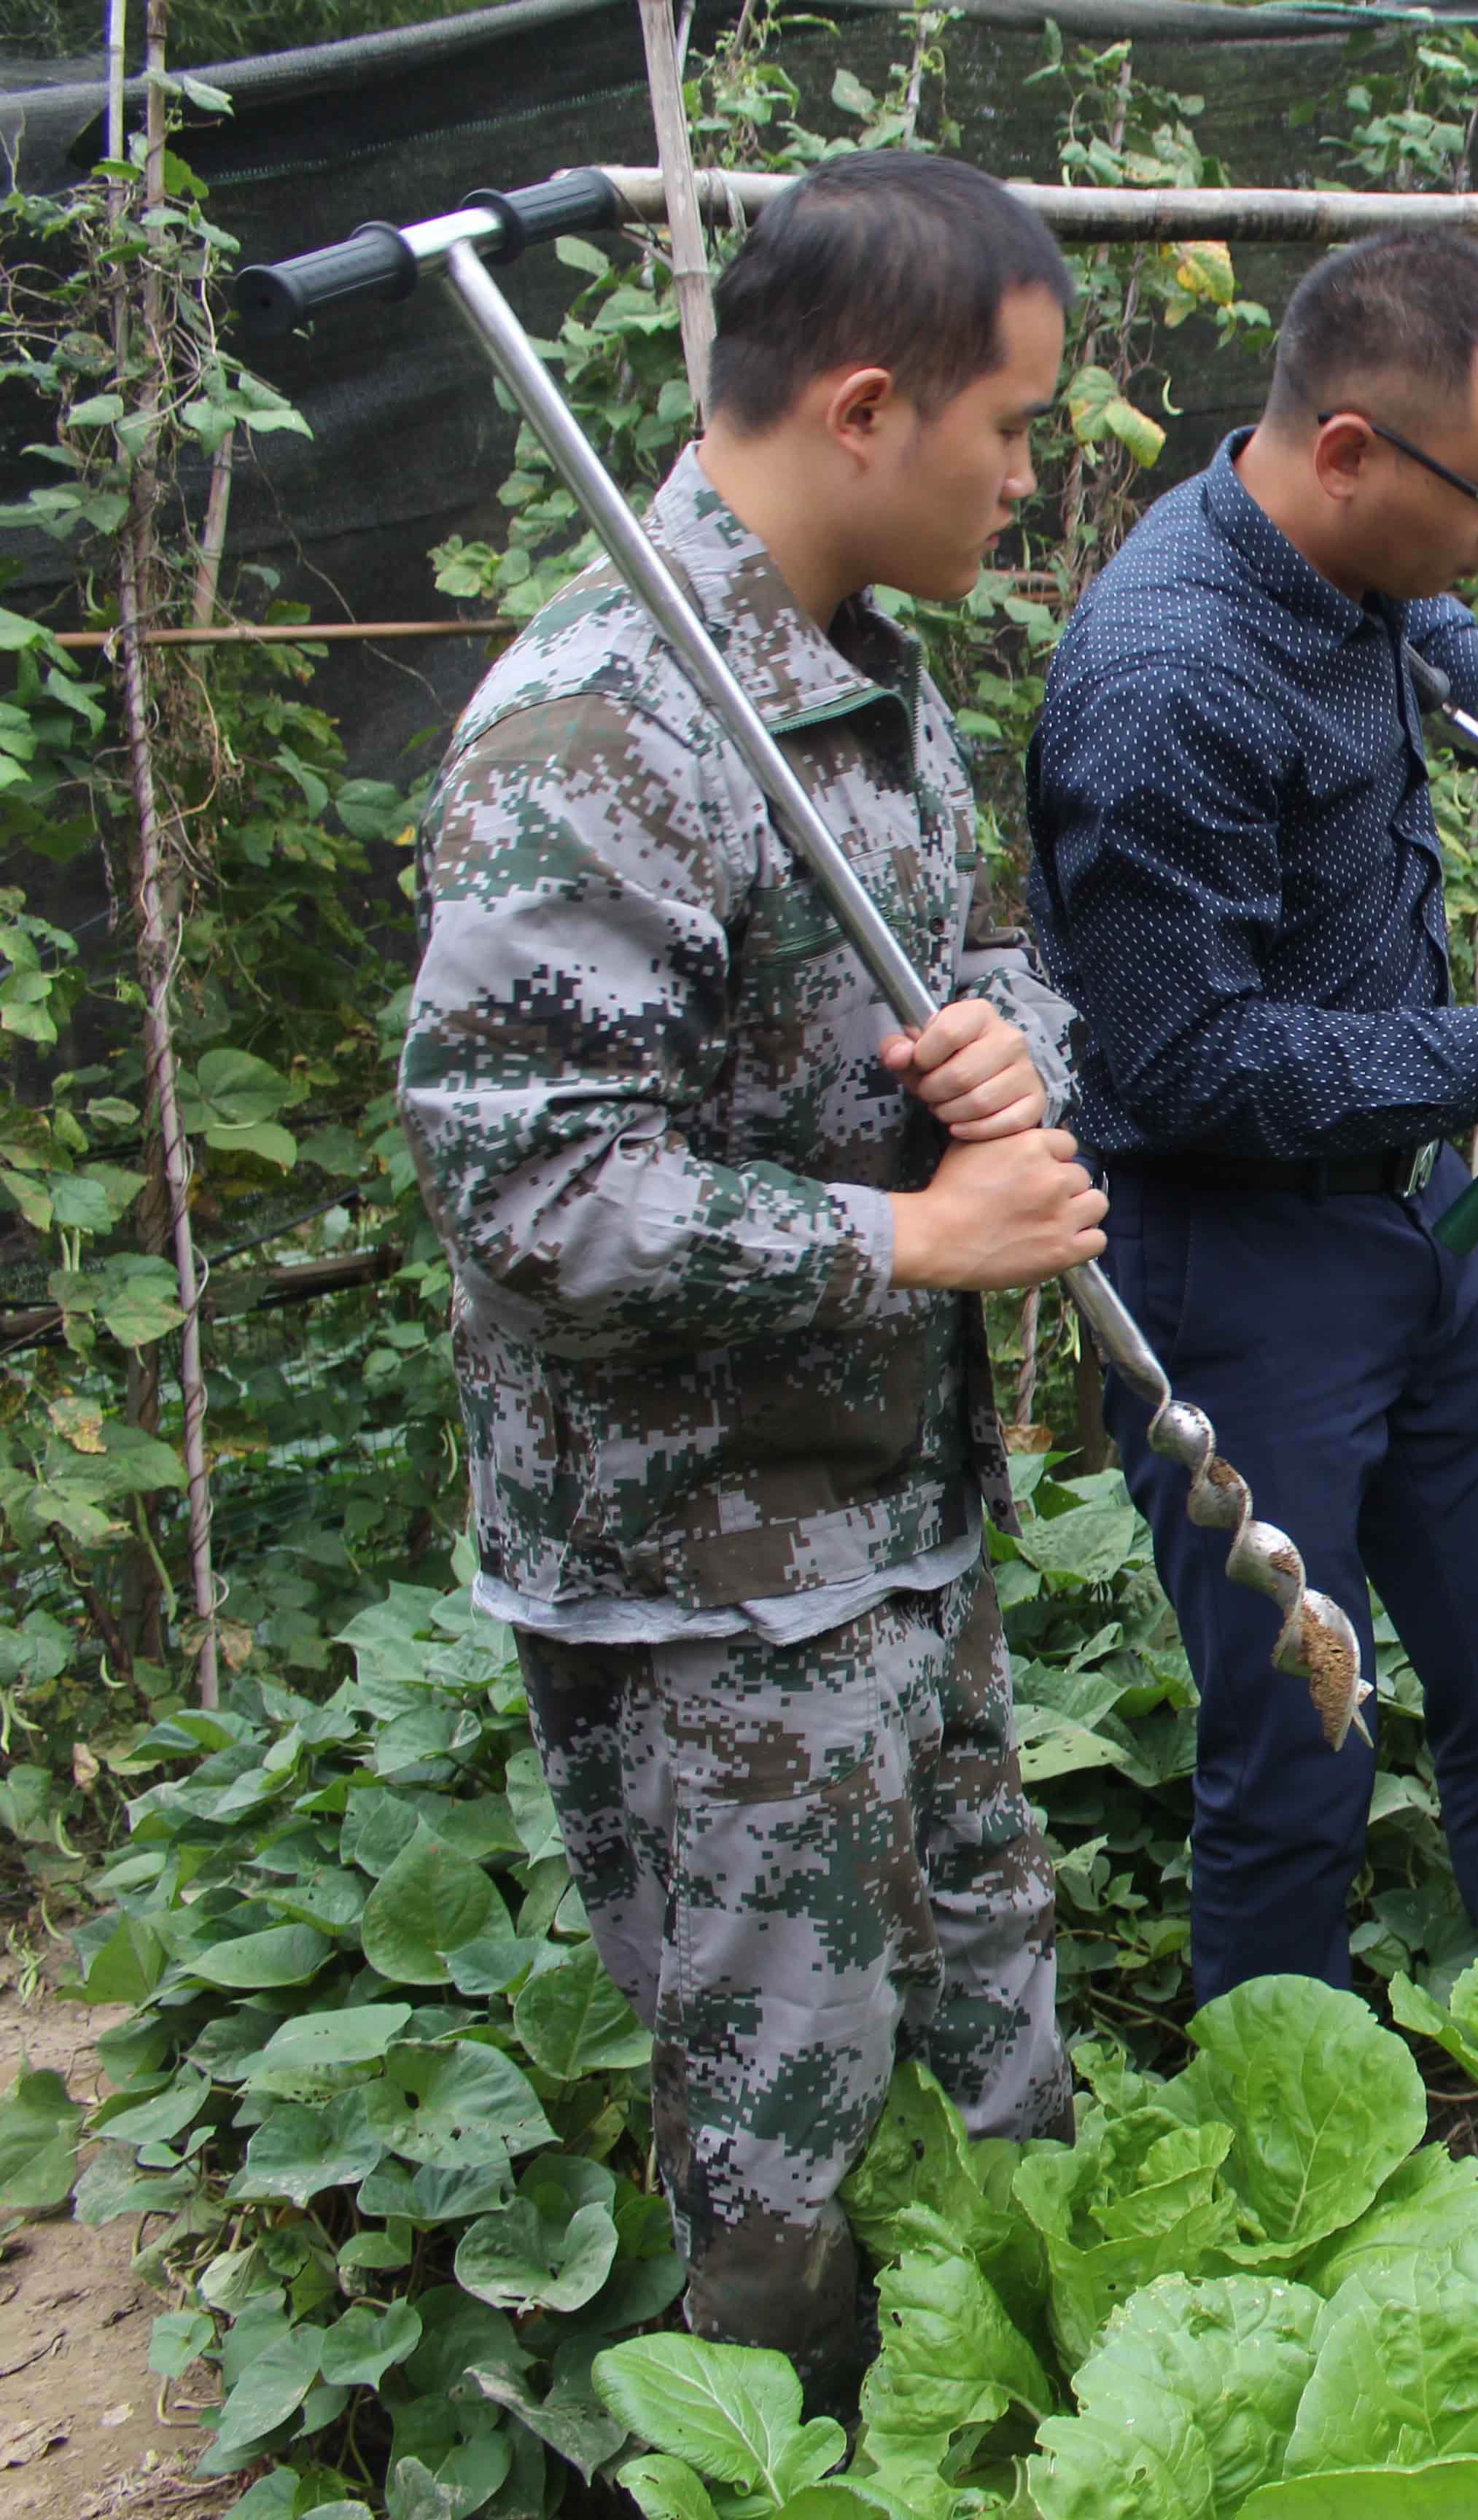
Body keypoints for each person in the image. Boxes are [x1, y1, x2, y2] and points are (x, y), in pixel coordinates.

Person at [397, 152, 1097, 2413]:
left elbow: (986, 962)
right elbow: (528, 1191)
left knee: (999, 2053)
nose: (1029, 481)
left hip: (896, 1532)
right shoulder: (604, 726)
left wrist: (1011, 1045)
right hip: (707, 1601)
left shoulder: (868, 684)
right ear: (870, 409)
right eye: (1013, 430)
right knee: (786, 2161)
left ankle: (1035, 2437)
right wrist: (912, 1238)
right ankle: (778, 2461)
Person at [1027, 234, 1478, 1997]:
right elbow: (1186, 1061)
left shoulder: (1335, 542)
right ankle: (1281, 2119)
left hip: (1415, 1229)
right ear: (1351, 453)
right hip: (1236, 1270)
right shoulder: (1167, 682)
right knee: (1305, 1736)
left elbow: (1416, 597)